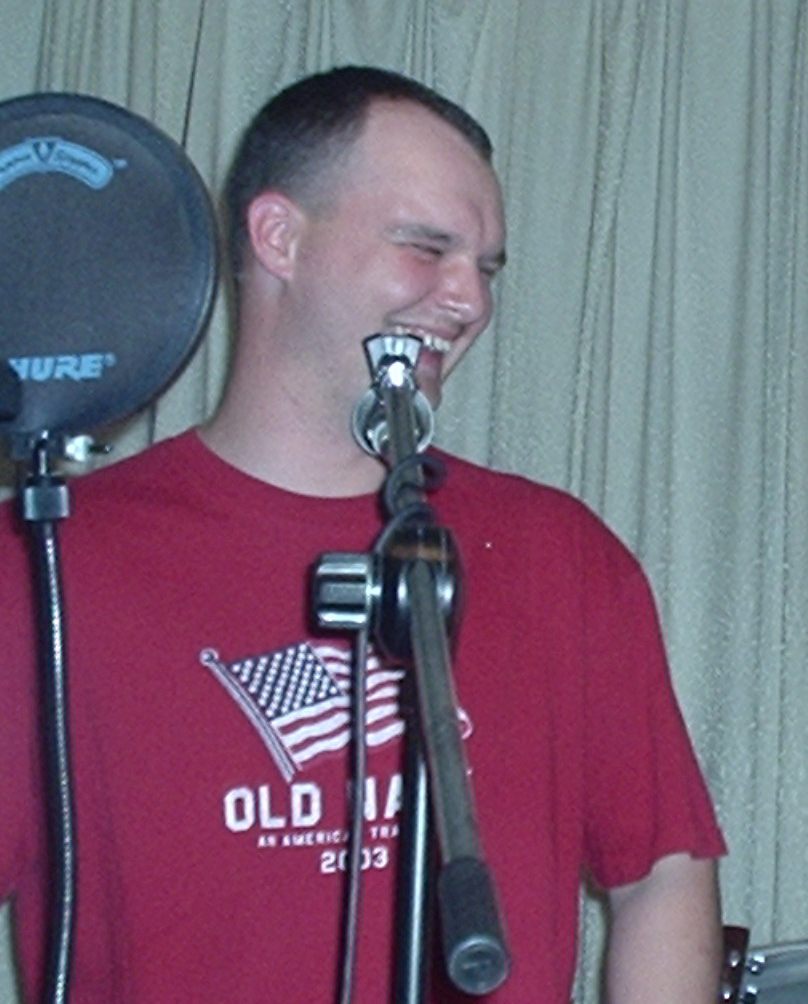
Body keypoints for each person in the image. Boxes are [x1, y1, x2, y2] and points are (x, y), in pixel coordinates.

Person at [0, 66, 725, 1003]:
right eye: (427, 248)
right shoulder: (42, 564)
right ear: (280, 237)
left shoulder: (560, 554)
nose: (469, 302)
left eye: (486, 267)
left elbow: (661, 871)